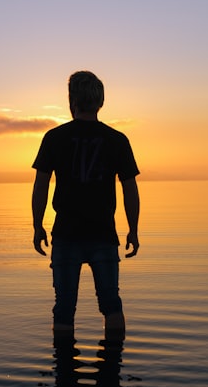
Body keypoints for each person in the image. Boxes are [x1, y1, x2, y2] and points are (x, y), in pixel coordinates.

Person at [32, 71, 140, 337]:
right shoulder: (117, 140)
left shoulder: (54, 137)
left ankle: (65, 372)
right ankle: (113, 365)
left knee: (64, 308)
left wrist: (37, 226)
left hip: (67, 235)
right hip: (103, 234)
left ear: (72, 101)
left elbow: (41, 186)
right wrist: (134, 230)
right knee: (111, 304)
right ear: (100, 101)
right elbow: (130, 190)